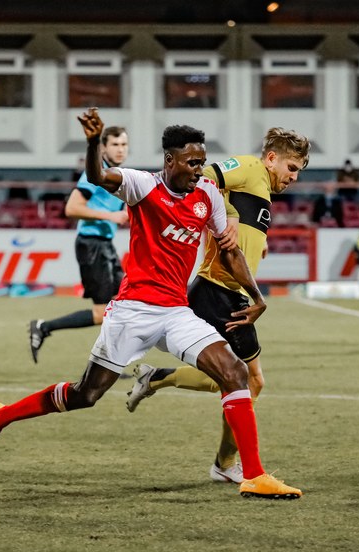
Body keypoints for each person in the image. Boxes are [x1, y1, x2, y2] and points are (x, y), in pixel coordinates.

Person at [0, 107, 302, 500]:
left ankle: (253, 475)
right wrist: (94, 142)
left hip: (177, 312)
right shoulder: (142, 185)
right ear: (170, 160)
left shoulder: (207, 195)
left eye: (202, 163)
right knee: (85, 395)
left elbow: (230, 251)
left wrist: (257, 297)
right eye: (191, 163)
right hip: (133, 311)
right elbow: (98, 176)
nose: (198, 171)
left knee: (234, 372)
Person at [124, 127, 311, 485]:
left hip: (226, 292)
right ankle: (226, 464)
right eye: (291, 168)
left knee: (233, 378)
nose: (293, 177)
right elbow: (205, 176)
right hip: (217, 291)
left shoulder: (261, 189)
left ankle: (158, 379)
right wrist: (229, 213)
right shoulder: (249, 167)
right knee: (250, 380)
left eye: (298, 171)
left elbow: (240, 227)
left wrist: (257, 241)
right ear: (272, 158)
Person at [28, 126, 130, 363]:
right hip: (92, 245)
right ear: (103, 148)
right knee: (102, 313)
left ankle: (111, 364)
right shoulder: (94, 174)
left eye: (124, 145)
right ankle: (44, 327)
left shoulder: (117, 174)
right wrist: (111, 216)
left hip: (104, 245)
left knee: (122, 307)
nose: (120, 149)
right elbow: (71, 208)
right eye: (115, 144)